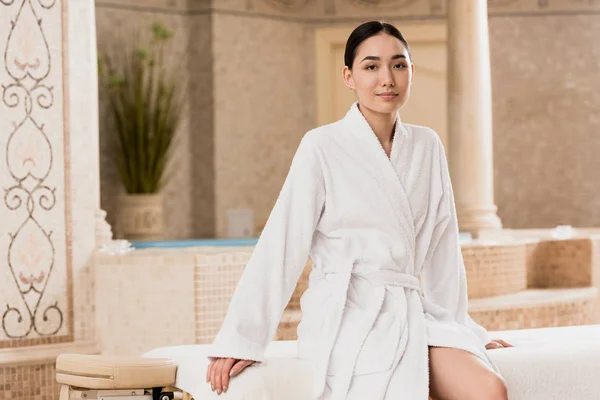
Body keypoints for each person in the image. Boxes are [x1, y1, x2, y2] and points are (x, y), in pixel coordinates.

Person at [206, 20, 513, 399]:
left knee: (488, 389)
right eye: (371, 67)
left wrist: (462, 329)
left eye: (399, 65)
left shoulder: (427, 146)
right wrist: (242, 339)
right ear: (349, 76)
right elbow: (282, 242)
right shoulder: (321, 146)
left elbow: (443, 249)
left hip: (413, 311)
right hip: (350, 315)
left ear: (411, 72)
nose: (387, 78)